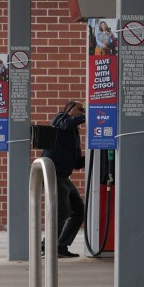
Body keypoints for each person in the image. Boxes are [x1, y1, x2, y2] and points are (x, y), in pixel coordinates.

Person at [41, 101, 86, 258]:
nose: (83, 113)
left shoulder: (74, 134)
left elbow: (76, 163)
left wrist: (96, 154)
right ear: (71, 109)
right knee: (62, 210)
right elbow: (65, 124)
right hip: (52, 172)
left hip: (63, 176)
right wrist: (88, 116)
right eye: (81, 109)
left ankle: (60, 246)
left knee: (79, 209)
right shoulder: (60, 119)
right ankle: (48, 246)